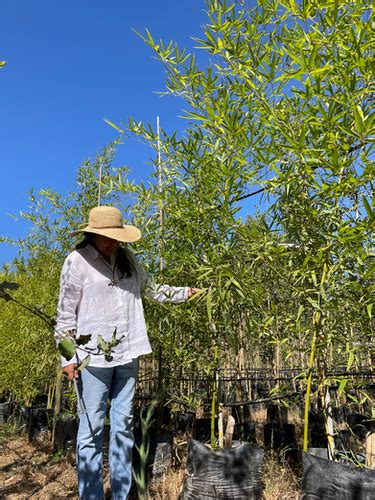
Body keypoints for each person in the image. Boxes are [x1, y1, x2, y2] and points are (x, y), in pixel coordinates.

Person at [55, 205, 199, 499]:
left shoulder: (128, 259)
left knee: (122, 428)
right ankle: (92, 495)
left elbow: (152, 289)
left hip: (128, 353)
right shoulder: (76, 262)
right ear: (91, 234)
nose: (112, 242)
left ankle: (121, 494)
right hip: (91, 359)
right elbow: (65, 315)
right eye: (106, 237)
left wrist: (184, 293)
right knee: (91, 431)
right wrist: (67, 358)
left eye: (116, 237)